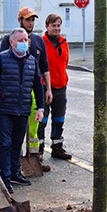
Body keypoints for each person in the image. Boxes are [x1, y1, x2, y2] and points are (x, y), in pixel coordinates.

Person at [0, 28, 44, 194]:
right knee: (5, 144)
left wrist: (40, 108)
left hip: (24, 109)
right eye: (20, 40)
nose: (24, 43)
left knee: (17, 144)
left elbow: (38, 87)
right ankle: (4, 177)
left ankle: (14, 173)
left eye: (26, 40)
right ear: (11, 42)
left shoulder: (32, 60)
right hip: (5, 109)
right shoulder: (1, 59)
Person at [0, 7, 52, 172]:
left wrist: (48, 89)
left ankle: (34, 158)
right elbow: (3, 65)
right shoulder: (9, 39)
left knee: (34, 130)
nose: (31, 22)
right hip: (15, 94)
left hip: (33, 92)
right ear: (20, 20)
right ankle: (17, 164)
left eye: (33, 20)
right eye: (28, 19)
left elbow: (44, 66)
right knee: (16, 132)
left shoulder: (38, 40)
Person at [41, 13, 72, 160]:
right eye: (53, 25)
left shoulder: (64, 43)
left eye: (58, 25)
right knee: (42, 119)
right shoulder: (41, 43)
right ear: (47, 27)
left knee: (59, 118)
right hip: (45, 87)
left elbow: (65, 63)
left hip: (61, 86)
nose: (56, 28)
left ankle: (57, 147)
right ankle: (38, 150)